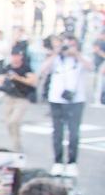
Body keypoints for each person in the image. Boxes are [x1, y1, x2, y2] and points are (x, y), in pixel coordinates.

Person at [39, 35, 91, 177]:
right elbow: (43, 69)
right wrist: (56, 52)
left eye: (72, 45)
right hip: (56, 99)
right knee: (58, 132)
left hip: (76, 100)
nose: (68, 48)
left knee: (73, 133)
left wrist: (77, 54)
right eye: (66, 45)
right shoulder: (56, 59)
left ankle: (72, 162)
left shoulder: (80, 59)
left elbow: (90, 67)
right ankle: (58, 161)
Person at [0, 50, 37, 151]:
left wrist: (17, 78)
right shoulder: (8, 67)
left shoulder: (26, 68)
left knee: (14, 121)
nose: (15, 58)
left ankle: (17, 146)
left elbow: (32, 81)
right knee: (8, 123)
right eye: (13, 56)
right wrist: (2, 81)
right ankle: (15, 142)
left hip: (22, 98)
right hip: (9, 97)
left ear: (21, 56)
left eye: (17, 56)